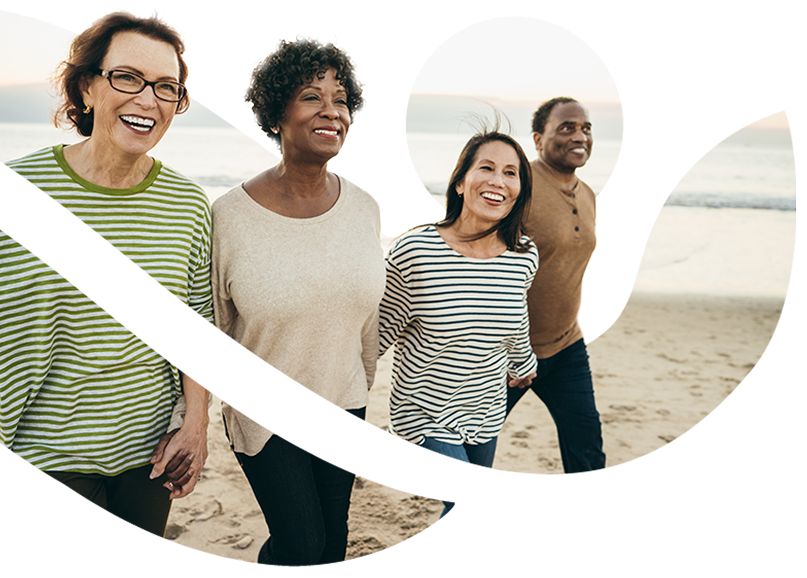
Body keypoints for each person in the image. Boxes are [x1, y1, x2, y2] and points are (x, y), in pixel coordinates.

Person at [0, 9, 211, 538]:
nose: (148, 100)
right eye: (128, 78)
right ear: (87, 87)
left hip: (146, 466)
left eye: (167, 88)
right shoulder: (18, 190)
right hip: (40, 457)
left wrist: (197, 425)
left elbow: (199, 329)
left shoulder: (188, 205)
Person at [211, 34, 384, 566]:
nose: (331, 111)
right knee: (302, 544)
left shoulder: (363, 207)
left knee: (333, 542)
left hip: (345, 397)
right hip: (266, 410)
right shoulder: (228, 216)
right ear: (274, 115)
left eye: (340, 99)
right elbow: (210, 326)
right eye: (312, 97)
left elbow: (367, 318)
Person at [378, 123, 538, 475]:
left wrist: (524, 364)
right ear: (460, 182)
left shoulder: (523, 256)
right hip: (424, 417)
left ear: (519, 191)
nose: (498, 180)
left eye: (511, 173)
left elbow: (515, 318)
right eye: (486, 167)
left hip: (486, 412)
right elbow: (376, 334)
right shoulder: (416, 252)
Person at [505, 97, 606, 477]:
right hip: (507, 354)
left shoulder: (588, 194)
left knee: (587, 445)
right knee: (474, 446)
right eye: (566, 127)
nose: (579, 135)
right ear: (538, 138)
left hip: (566, 347)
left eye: (586, 128)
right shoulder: (520, 187)